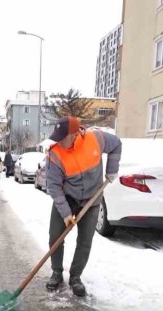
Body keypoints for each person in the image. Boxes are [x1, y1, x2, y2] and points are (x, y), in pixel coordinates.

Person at [45, 116, 122, 297]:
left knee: (85, 241)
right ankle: (57, 272)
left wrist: (112, 169)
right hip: (67, 198)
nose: (58, 141)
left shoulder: (95, 138)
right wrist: (65, 213)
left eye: (61, 137)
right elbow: (54, 187)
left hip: (92, 200)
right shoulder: (55, 154)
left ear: (73, 134)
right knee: (55, 237)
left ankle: (75, 277)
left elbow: (117, 144)